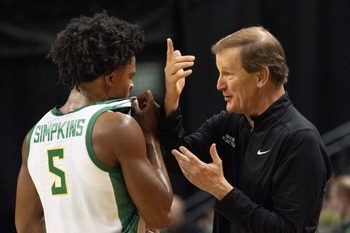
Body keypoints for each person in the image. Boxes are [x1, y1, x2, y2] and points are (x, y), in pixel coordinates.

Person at [157, 26, 332, 232]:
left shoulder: (301, 140)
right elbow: (175, 158)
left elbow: (288, 229)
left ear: (261, 77)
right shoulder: (229, 122)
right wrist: (171, 100)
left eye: (228, 74)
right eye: (219, 73)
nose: (219, 84)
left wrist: (222, 190)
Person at [15, 11, 173, 233]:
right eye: (130, 76)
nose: (131, 86)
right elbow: (161, 215)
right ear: (110, 77)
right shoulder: (117, 127)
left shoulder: (33, 136)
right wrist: (149, 135)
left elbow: (27, 226)